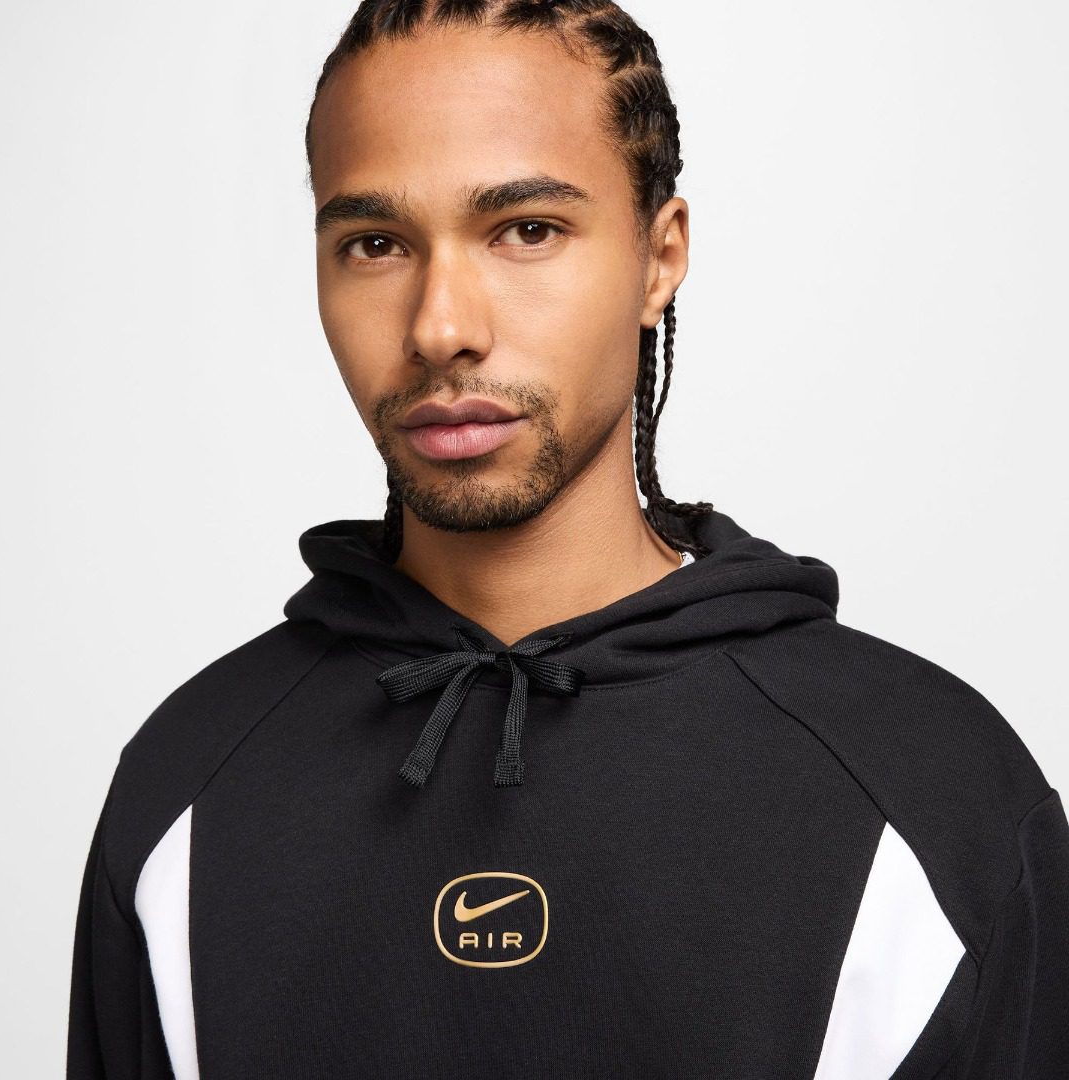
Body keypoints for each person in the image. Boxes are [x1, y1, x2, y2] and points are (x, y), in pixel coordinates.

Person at [66, 1, 1069, 1077]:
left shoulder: (934, 796)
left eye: (527, 230)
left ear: (658, 257)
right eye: (375, 244)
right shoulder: (191, 785)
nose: (441, 327)